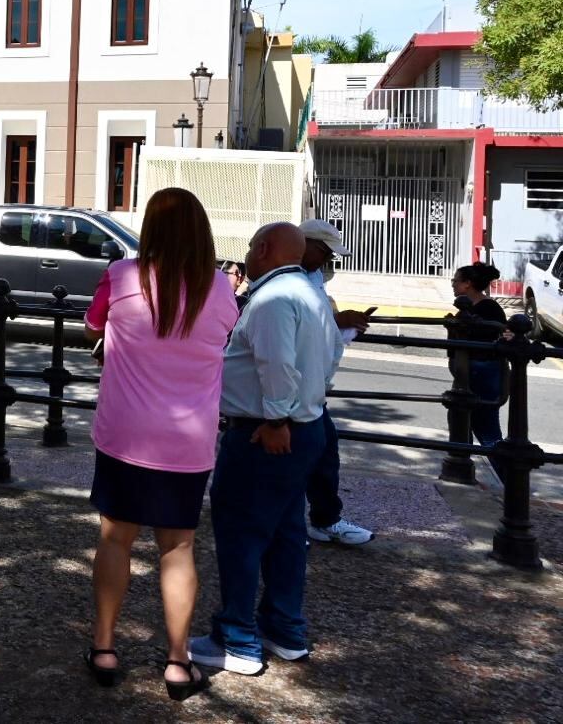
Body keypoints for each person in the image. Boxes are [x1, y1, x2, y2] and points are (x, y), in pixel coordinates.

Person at [81, 188, 239, 699]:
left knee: (114, 538)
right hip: (188, 440)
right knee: (178, 547)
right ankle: (177, 660)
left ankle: (105, 647)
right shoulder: (221, 289)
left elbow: (92, 327)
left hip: (126, 432)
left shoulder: (121, 277)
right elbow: (224, 338)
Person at [189, 222, 341, 677]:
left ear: (264, 249)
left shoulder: (274, 298)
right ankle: (284, 628)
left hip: (267, 430)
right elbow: (330, 359)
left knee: (241, 533)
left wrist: (277, 419)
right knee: (286, 534)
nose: (247, 259)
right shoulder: (311, 294)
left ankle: (236, 638)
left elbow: (275, 364)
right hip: (303, 426)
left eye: (252, 249)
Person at [295, 219, 376, 546]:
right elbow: (299, 319)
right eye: (325, 251)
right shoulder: (289, 275)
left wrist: (343, 325)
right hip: (294, 385)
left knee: (323, 454)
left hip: (312, 384)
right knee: (303, 458)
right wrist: (336, 320)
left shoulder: (314, 274)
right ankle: (308, 522)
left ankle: (322, 519)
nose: (328, 259)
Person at [450, 261, 510, 476]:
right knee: (463, 422)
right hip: (473, 375)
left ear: (468, 284)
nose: (453, 285)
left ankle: (512, 483)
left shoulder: (486, 308)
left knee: (487, 432)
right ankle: (461, 468)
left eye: (456, 281)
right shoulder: (477, 307)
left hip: (481, 375)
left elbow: (485, 341)